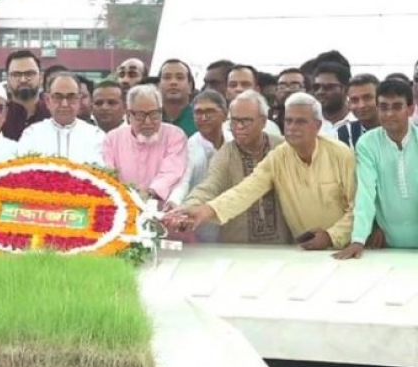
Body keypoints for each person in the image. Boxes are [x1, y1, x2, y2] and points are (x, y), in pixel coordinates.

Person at [170, 92, 355, 251]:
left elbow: (360, 206)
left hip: (337, 248)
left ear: (317, 125)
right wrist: (201, 210)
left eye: (300, 122)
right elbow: (243, 191)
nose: (292, 128)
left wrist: (332, 236)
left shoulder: (339, 154)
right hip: (290, 252)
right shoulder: (277, 156)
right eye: (289, 121)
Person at [177, 90, 291, 245]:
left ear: (264, 121)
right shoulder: (226, 153)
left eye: (246, 121)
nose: (238, 127)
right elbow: (209, 186)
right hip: (236, 249)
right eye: (234, 121)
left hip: (283, 248)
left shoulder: (283, 148)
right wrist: (190, 206)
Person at [334, 80, 418, 259]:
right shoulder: (368, 143)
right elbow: (365, 191)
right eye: (384, 107)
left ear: (410, 109)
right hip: (387, 245)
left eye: (397, 107)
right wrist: (358, 239)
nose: (389, 114)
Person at [103, 84, 187, 202]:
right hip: (123, 205)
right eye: (140, 116)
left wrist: (151, 192)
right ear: (128, 115)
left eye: (154, 115)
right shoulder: (112, 139)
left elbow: (172, 171)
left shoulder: (174, 135)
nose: (148, 122)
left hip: (162, 208)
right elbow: (108, 173)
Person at [17, 72, 105, 165]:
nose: (64, 104)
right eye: (58, 97)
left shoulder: (96, 136)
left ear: (79, 100)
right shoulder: (32, 134)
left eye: (71, 97)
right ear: (47, 100)